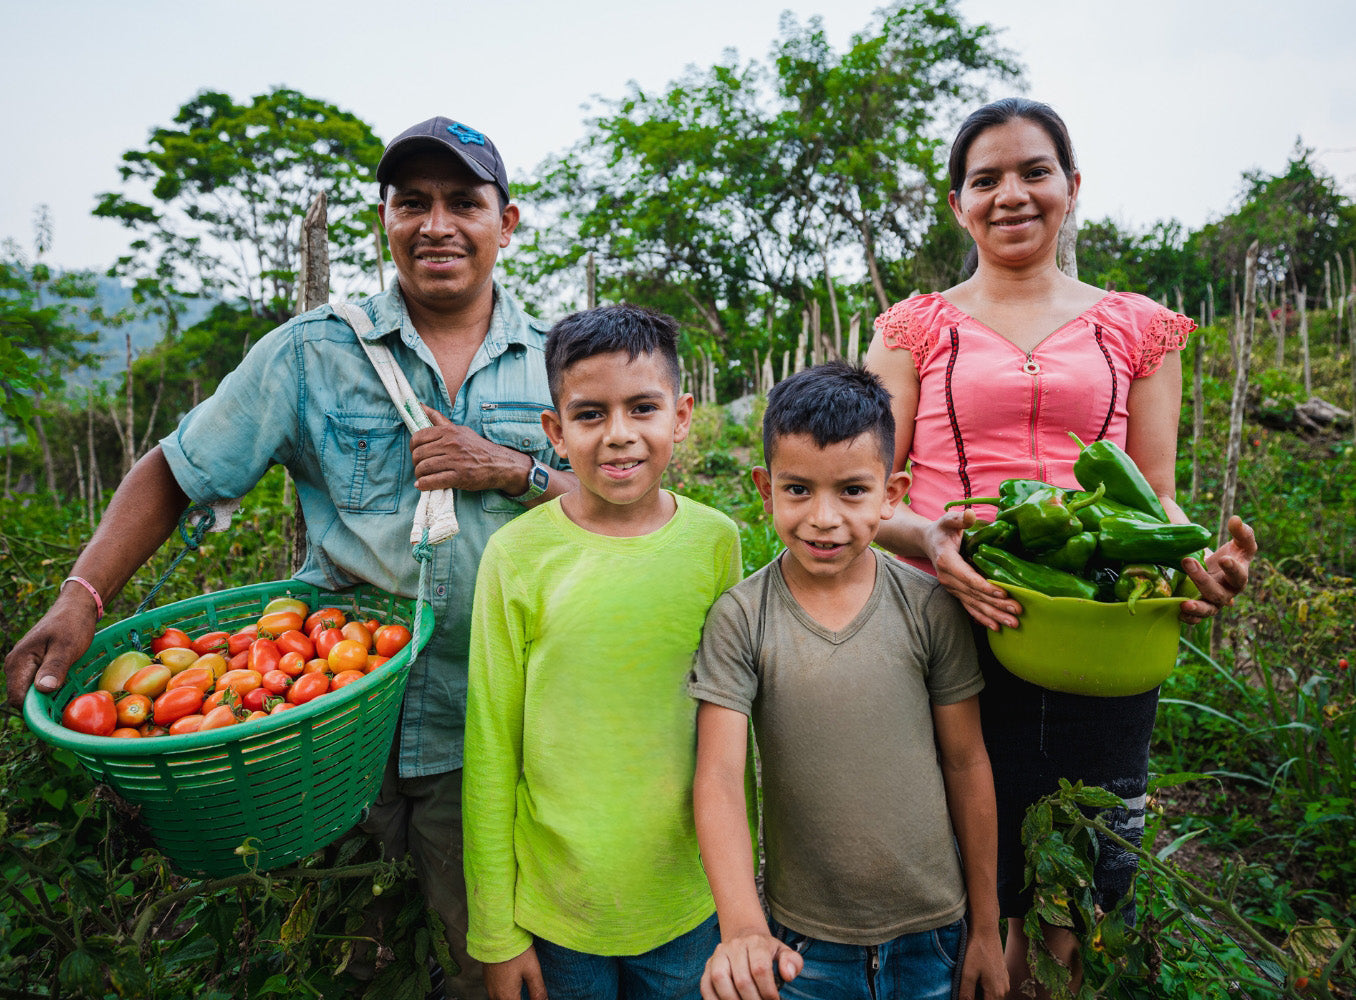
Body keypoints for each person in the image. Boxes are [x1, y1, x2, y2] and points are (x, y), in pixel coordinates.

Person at [3, 115, 579, 1000]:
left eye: (464, 202)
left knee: (492, 958)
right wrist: (81, 595)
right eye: (411, 202)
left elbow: (621, 506)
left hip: (493, 721)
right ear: (382, 217)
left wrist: (512, 469)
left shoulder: (560, 364)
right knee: (344, 958)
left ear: (508, 223)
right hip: (328, 722)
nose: (437, 224)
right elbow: (175, 469)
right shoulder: (312, 352)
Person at [863, 97, 1257, 998]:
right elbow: (868, 496)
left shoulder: (1138, 325)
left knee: (1079, 876)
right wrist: (931, 536)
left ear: (1072, 188)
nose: (1012, 194)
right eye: (986, 178)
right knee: (956, 874)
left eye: (1034, 172)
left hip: (1098, 626)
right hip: (945, 613)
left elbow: (1154, 495)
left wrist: (1195, 562)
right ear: (956, 202)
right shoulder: (912, 328)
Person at [688, 362, 1008, 1000]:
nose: (824, 518)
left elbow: (966, 760)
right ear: (765, 488)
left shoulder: (928, 608)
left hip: (936, 936)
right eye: (799, 490)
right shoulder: (742, 618)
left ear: (893, 493)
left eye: (852, 491)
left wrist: (986, 925)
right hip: (803, 947)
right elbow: (719, 776)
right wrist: (744, 926)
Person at [461, 304, 743, 1000]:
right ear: (554, 432)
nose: (619, 436)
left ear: (681, 417)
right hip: (559, 910)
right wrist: (497, 932)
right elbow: (492, 745)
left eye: (643, 407)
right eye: (590, 415)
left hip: (686, 900)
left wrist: (740, 907)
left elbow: (734, 730)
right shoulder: (517, 555)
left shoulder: (716, 542)